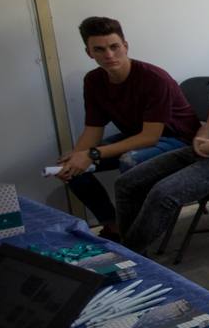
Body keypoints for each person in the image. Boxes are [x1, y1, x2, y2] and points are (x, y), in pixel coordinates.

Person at [114, 9, 209, 254]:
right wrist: (202, 137)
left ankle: (127, 256)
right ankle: (132, 252)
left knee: (162, 194)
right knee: (127, 183)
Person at [54, 16, 200, 237]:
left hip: (179, 140)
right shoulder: (93, 81)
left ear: (125, 46)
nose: (109, 55)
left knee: (130, 161)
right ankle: (115, 226)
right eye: (100, 49)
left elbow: (149, 137)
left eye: (114, 47)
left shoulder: (153, 78)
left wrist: (92, 153)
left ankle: (139, 233)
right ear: (89, 53)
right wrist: (77, 156)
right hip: (138, 137)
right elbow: (93, 128)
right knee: (73, 170)